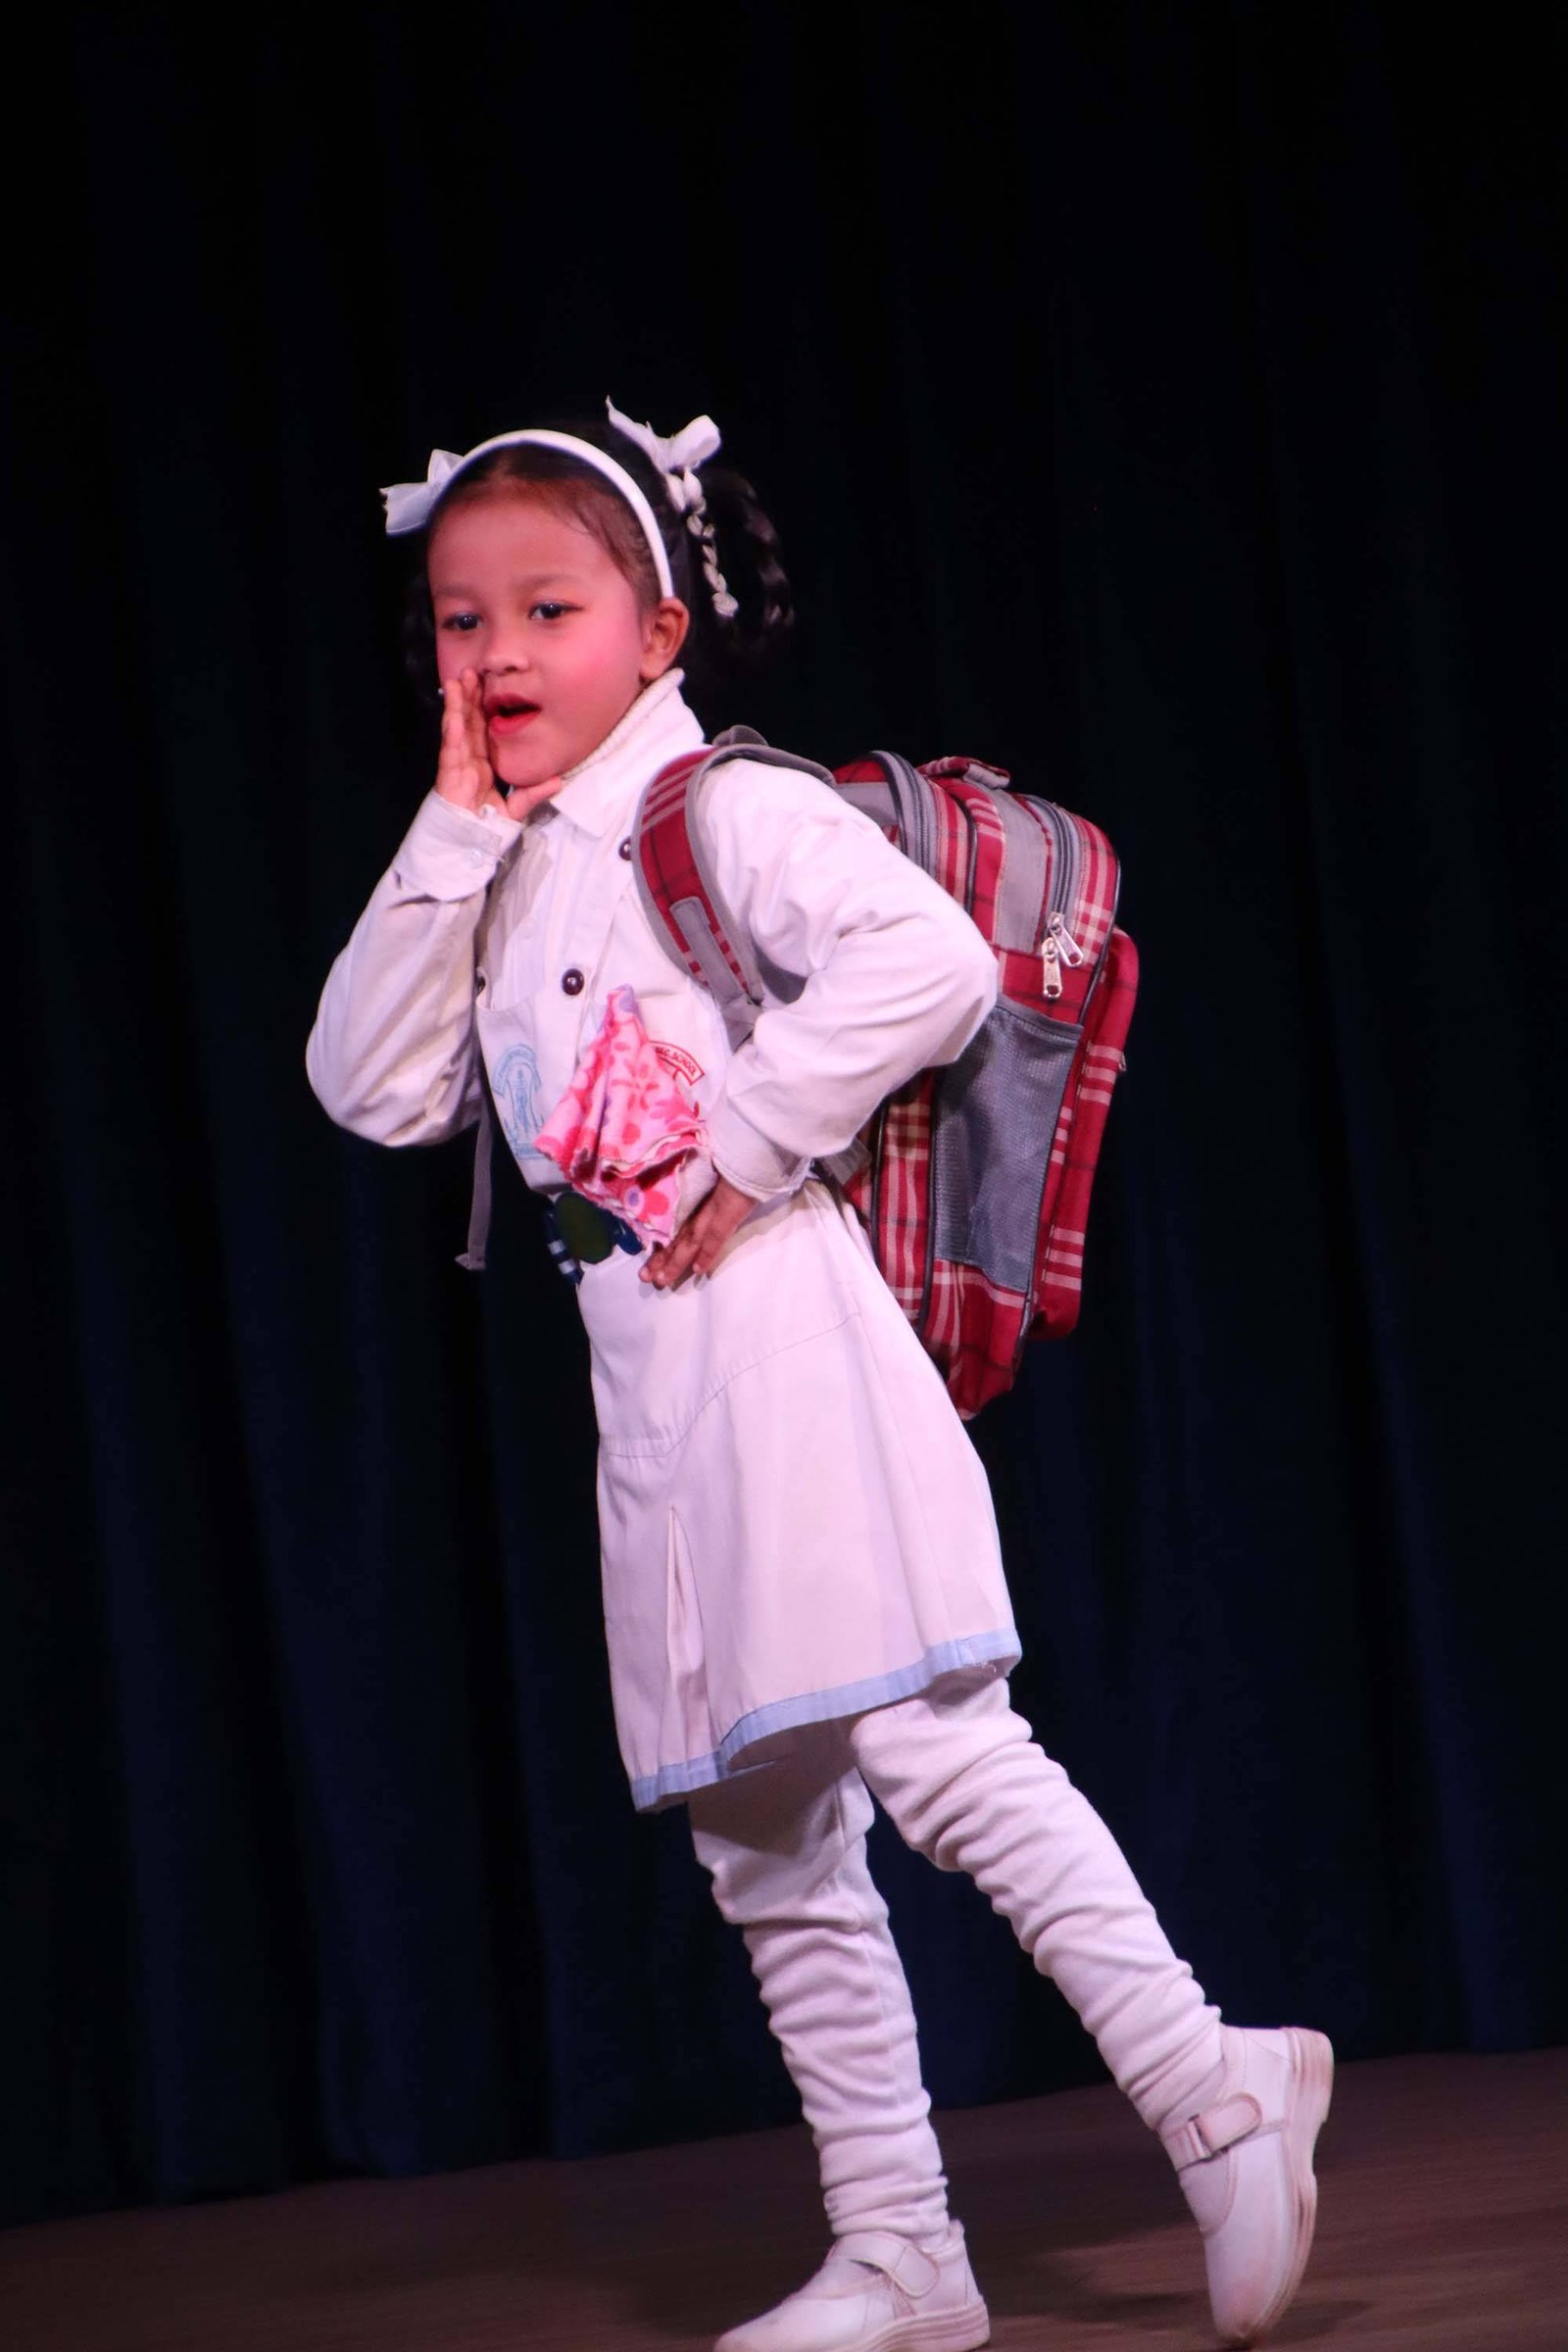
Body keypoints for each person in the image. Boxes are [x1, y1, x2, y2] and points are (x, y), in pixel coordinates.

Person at [308, 404, 1333, 2352]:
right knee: (767, 1838)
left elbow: (924, 963)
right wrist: (453, 833)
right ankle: (901, 2249)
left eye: (546, 610)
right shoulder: (508, 866)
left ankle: (1217, 2093)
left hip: (787, 1334)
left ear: (658, 628)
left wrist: (745, 1140)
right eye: (458, 619)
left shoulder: (716, 812)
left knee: (941, 1755)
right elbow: (367, 1082)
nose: (497, 655)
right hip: (648, 1381)